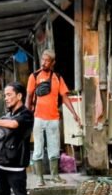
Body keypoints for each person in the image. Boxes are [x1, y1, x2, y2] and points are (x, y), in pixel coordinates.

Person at [25, 49, 82, 186]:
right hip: (38, 118)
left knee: (54, 148)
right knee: (38, 148)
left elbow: (64, 97)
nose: (44, 63)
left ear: (53, 63)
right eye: (43, 60)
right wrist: (26, 115)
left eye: (47, 61)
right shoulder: (34, 76)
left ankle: (55, 176)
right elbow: (29, 96)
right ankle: (40, 178)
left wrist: (74, 113)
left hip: (53, 119)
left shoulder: (57, 77)